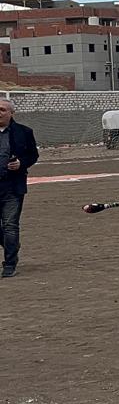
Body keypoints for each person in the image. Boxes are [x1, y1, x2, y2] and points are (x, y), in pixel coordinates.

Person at [0, 97, 39, 278]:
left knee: (10, 225)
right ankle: (12, 245)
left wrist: (21, 163)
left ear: (11, 113)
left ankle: (9, 263)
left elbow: (33, 155)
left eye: (2, 110)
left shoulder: (24, 132)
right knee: (6, 232)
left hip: (12, 187)